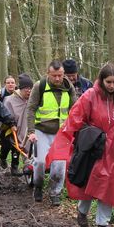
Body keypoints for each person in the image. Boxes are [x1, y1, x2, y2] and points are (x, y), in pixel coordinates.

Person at [47, 63, 114, 227]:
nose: (112, 85)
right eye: (108, 82)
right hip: (93, 146)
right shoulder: (90, 96)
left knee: (107, 183)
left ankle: (102, 223)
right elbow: (76, 116)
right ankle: (82, 211)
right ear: (102, 80)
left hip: (113, 150)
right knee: (89, 181)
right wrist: (72, 135)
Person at [26, 59, 76, 204]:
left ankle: (55, 193)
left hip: (62, 133)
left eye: (60, 75)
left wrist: (75, 130)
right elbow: (30, 109)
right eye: (54, 75)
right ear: (48, 74)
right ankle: (38, 186)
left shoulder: (69, 87)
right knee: (40, 162)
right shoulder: (39, 86)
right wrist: (31, 131)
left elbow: (75, 109)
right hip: (41, 130)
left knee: (59, 165)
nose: (57, 78)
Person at [1, 74, 33, 176]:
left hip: (23, 129)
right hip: (9, 129)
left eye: (30, 89)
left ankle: (14, 167)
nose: (29, 91)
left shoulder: (32, 100)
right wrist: (11, 124)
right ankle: (2, 157)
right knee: (6, 146)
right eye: (26, 89)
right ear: (21, 89)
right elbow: (4, 114)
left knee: (17, 148)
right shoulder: (9, 100)